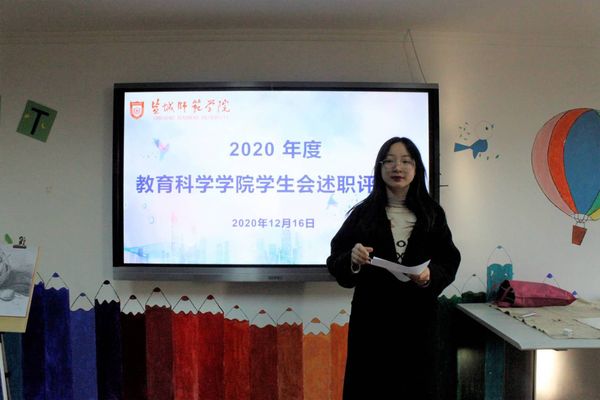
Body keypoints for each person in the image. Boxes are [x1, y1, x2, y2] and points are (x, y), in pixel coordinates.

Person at [327, 137, 461, 399]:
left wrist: (430, 276)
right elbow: (335, 259)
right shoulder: (363, 213)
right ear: (379, 168)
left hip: (418, 322)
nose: (397, 167)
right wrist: (352, 259)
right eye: (389, 161)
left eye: (405, 161)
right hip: (373, 322)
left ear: (416, 168)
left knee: (417, 388)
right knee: (370, 388)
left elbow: (449, 259)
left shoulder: (432, 213)